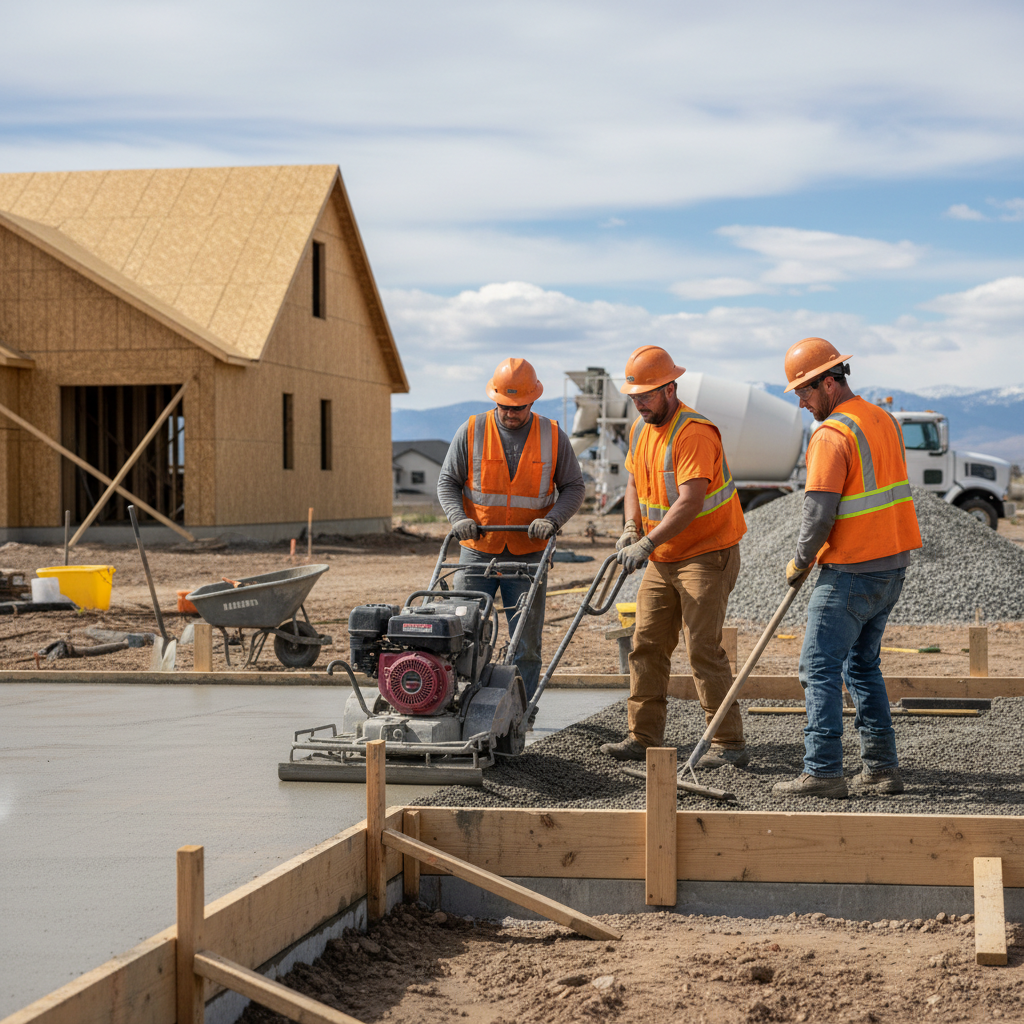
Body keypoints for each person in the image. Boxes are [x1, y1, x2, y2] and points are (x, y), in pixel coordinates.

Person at [772, 337, 922, 799]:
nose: (801, 402)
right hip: (892, 566)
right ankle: (881, 770)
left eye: (804, 391)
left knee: (818, 667)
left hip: (853, 571)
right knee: (862, 667)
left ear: (829, 382)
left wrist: (800, 560)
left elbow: (818, 514)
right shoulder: (881, 419)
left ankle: (822, 771)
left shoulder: (832, 433)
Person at [600, 346, 748, 767]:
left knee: (703, 649)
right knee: (645, 644)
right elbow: (632, 483)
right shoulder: (641, 429)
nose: (640, 403)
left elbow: (690, 502)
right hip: (663, 555)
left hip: (705, 553)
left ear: (671, 387)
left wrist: (645, 544)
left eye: (647, 395)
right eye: (634, 396)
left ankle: (728, 744)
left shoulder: (694, 432)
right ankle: (643, 737)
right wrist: (632, 528)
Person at [436, 357, 586, 720]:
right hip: (476, 550)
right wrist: (459, 519)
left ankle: (520, 711)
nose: (511, 413)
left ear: (532, 401)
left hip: (528, 552)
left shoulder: (552, 436)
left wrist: (552, 521)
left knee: (525, 640)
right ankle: (457, 702)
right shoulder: (471, 431)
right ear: (494, 400)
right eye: (504, 406)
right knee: (462, 628)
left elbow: (573, 487)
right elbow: (447, 483)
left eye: (518, 407)